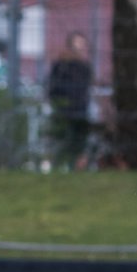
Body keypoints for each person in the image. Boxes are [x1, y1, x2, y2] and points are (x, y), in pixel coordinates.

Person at [47, 31, 93, 171]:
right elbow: (53, 88)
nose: (79, 48)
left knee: (79, 143)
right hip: (63, 111)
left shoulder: (85, 67)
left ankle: (76, 168)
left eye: (82, 44)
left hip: (81, 110)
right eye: (76, 44)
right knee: (61, 142)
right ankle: (59, 166)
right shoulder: (61, 66)